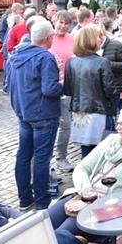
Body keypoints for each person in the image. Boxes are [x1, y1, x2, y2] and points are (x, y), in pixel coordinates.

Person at [49, 104, 122, 237]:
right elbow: (82, 168)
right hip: (86, 195)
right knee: (44, 224)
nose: (117, 127)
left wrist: (94, 204)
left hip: (112, 207)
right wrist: (88, 195)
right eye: (118, 123)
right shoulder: (112, 141)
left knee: (59, 236)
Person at [8, 20, 63, 210]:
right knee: (41, 158)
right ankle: (42, 201)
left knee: (24, 156)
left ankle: (25, 199)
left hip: (24, 113)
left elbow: (8, 86)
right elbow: (49, 89)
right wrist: (63, 84)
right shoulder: (45, 58)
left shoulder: (15, 55)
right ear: (48, 38)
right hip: (43, 114)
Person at [63, 25, 115, 157]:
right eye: (99, 36)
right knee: (103, 151)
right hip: (99, 110)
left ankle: (85, 176)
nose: (101, 39)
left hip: (79, 111)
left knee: (85, 150)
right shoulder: (102, 62)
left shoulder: (71, 62)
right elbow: (109, 90)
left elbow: (68, 90)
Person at [49, 10, 76, 172]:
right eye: (61, 22)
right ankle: (47, 159)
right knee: (50, 125)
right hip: (49, 87)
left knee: (66, 124)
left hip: (68, 87)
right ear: (54, 21)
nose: (63, 26)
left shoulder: (72, 39)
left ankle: (61, 156)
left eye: (67, 23)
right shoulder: (47, 38)